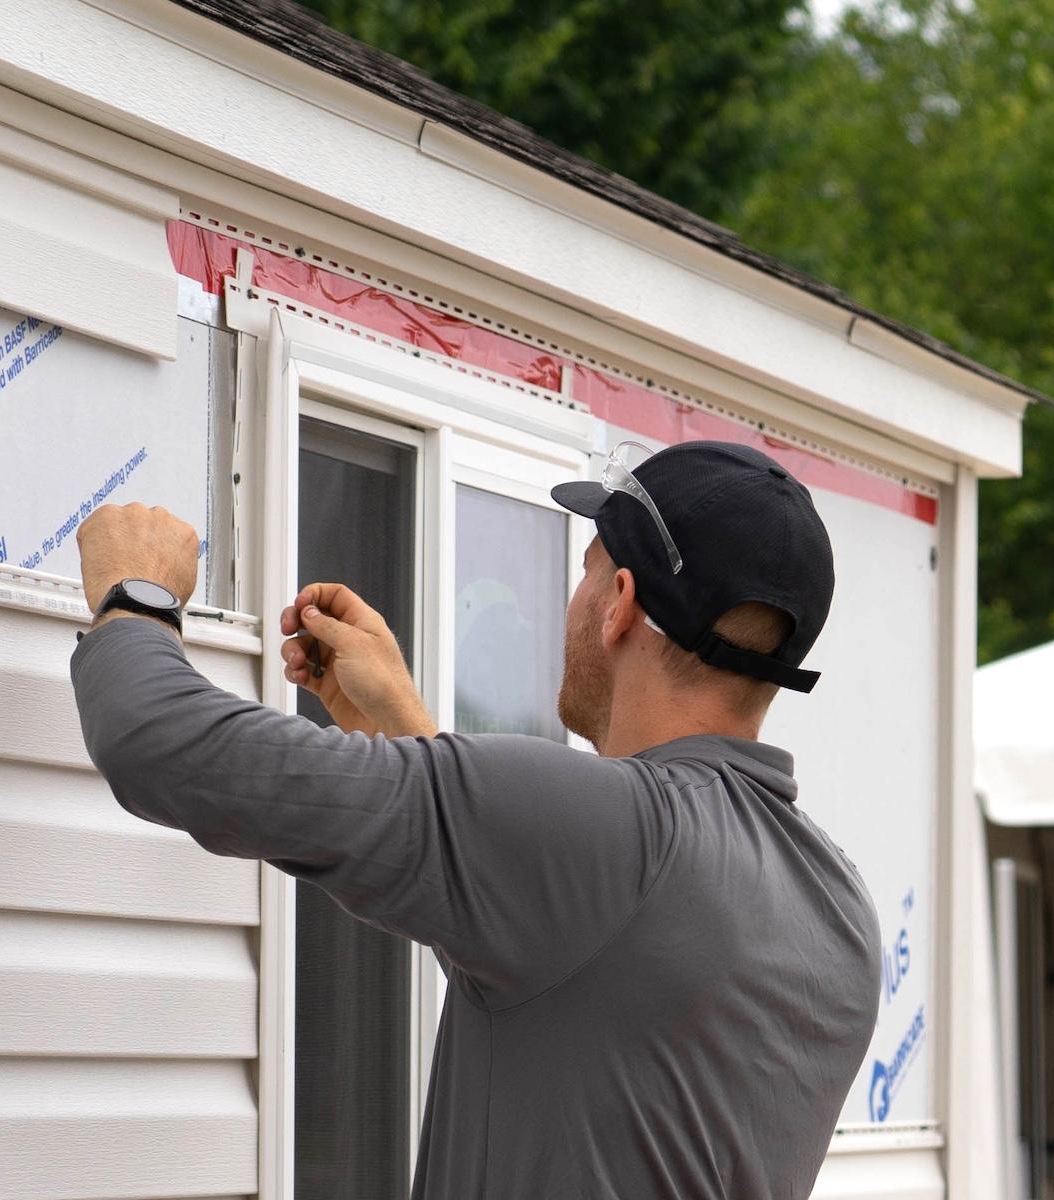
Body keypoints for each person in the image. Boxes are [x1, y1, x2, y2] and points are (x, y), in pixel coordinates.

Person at [71, 438, 880, 1199]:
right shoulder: (837, 906)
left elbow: (156, 741)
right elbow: (562, 978)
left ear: (619, 604)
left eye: (588, 567)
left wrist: (135, 594)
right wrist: (406, 730)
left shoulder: (613, 833)